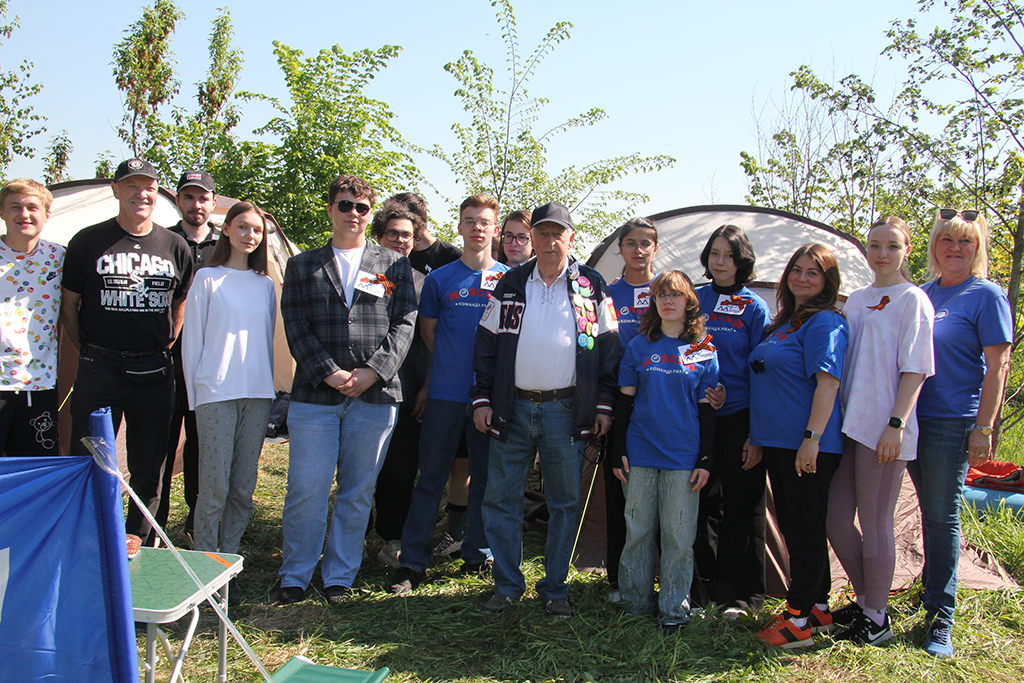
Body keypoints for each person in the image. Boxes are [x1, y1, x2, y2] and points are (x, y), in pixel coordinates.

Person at [472, 201, 618, 617]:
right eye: (543, 233)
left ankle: (555, 588)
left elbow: (609, 350)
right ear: (531, 238)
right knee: (500, 499)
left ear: (571, 238)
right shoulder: (511, 282)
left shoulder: (591, 285)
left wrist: (603, 405)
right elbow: (486, 345)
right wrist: (482, 398)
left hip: (567, 411)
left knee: (565, 502)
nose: (551, 241)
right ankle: (507, 585)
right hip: (511, 408)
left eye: (558, 233)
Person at [277, 174, 417, 605]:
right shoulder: (303, 265)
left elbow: (404, 323)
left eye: (361, 207)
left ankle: (340, 574)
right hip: (316, 395)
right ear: (330, 209)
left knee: (357, 492)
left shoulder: (393, 265)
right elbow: (295, 324)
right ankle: (296, 573)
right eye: (344, 205)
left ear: (370, 214)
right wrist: (329, 372)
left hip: (375, 397)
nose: (353, 213)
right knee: (307, 489)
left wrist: (374, 371)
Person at [60, 158, 194, 550]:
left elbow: (180, 302)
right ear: (116, 190)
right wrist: (88, 349)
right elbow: (70, 306)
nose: (141, 194)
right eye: (132, 186)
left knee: (149, 464)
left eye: (148, 187)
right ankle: (88, 537)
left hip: (153, 369)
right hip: (99, 365)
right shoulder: (87, 241)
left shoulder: (175, 246)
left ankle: (137, 539)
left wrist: (166, 342)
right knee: (90, 457)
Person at [390, 194, 508, 594]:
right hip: (445, 395)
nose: (477, 228)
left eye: (484, 221)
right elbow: (429, 333)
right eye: (469, 220)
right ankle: (412, 563)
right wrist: (446, 370)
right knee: (430, 479)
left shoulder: (510, 281)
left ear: (494, 229)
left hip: (490, 399)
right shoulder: (440, 279)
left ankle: (478, 554)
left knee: (484, 481)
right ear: (459, 227)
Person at [826, 216, 935, 646]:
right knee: (837, 521)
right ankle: (867, 601)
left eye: (892, 245)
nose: (882, 253)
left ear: (907, 250)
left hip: (885, 430)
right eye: (875, 245)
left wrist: (896, 424)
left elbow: (916, 368)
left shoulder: (913, 300)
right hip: (849, 426)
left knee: (875, 524)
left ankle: (876, 618)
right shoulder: (857, 300)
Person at [909, 209, 1011, 658]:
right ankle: (930, 590)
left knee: (941, 514)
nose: (954, 248)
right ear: (934, 246)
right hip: (911, 418)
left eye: (965, 241)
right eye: (946, 239)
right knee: (927, 511)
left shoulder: (986, 295)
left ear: (977, 248)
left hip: (952, 420)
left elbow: (998, 365)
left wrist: (983, 427)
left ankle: (941, 618)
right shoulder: (924, 293)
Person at [747, 243, 847, 649]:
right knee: (796, 525)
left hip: (805, 445)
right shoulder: (786, 324)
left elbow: (828, 384)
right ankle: (818, 607)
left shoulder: (825, 323)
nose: (802, 278)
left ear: (827, 281)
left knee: (804, 529)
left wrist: (812, 440)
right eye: (797, 270)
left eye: (813, 272)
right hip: (778, 442)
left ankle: (798, 619)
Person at [612, 270, 719, 633]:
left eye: (675, 294)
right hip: (640, 453)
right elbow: (624, 402)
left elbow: (707, 408)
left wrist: (706, 457)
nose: (668, 301)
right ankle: (634, 602)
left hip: (683, 457)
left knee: (678, 538)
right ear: (653, 302)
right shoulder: (639, 345)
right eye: (661, 295)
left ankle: (674, 609)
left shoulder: (704, 347)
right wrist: (618, 449)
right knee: (638, 532)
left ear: (690, 301)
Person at [182, 201, 276, 604]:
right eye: (242, 227)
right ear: (226, 230)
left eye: (256, 230)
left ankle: (229, 566)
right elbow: (192, 342)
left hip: (257, 393)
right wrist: (195, 398)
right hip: (216, 392)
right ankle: (205, 566)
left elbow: (266, 340)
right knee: (214, 486)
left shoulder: (266, 285)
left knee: (242, 487)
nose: (249, 235)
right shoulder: (207, 279)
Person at [694, 225, 770, 617]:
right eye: (714, 254)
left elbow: (764, 371)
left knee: (743, 504)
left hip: (741, 416)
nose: (720, 262)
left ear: (742, 260)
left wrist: (757, 432)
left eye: (729, 255)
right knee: (701, 501)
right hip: (698, 418)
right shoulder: (695, 299)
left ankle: (743, 596)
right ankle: (704, 586)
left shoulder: (755, 307)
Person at [155, 169, 220, 548]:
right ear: (178, 200)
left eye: (203, 197)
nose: (196, 204)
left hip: (209, 363)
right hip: (166, 360)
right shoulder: (161, 241)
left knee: (201, 446)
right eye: (189, 197)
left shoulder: (225, 246)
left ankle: (195, 526)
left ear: (213, 202)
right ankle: (154, 527)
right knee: (161, 446)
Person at [369, 199, 429, 568]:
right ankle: (355, 534)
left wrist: (426, 387)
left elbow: (433, 340)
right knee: (360, 467)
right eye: (393, 234)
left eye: (407, 235)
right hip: (365, 386)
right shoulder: (367, 277)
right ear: (379, 236)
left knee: (401, 468)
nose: (400, 241)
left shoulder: (425, 282)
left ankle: (393, 538)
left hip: (408, 388)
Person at [604, 217, 659, 599]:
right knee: (620, 490)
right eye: (631, 243)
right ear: (620, 248)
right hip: (619, 403)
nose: (638, 250)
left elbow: (696, 340)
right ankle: (620, 579)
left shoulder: (669, 290)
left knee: (665, 494)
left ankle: (664, 577)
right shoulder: (607, 293)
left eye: (645, 243)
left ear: (655, 248)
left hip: (664, 405)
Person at [0, 179, 63, 456]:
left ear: (47, 214)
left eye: (32, 207)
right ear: (2, 212)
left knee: (34, 471)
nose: (24, 214)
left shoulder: (59, 258)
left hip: (39, 383)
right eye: (15, 207)